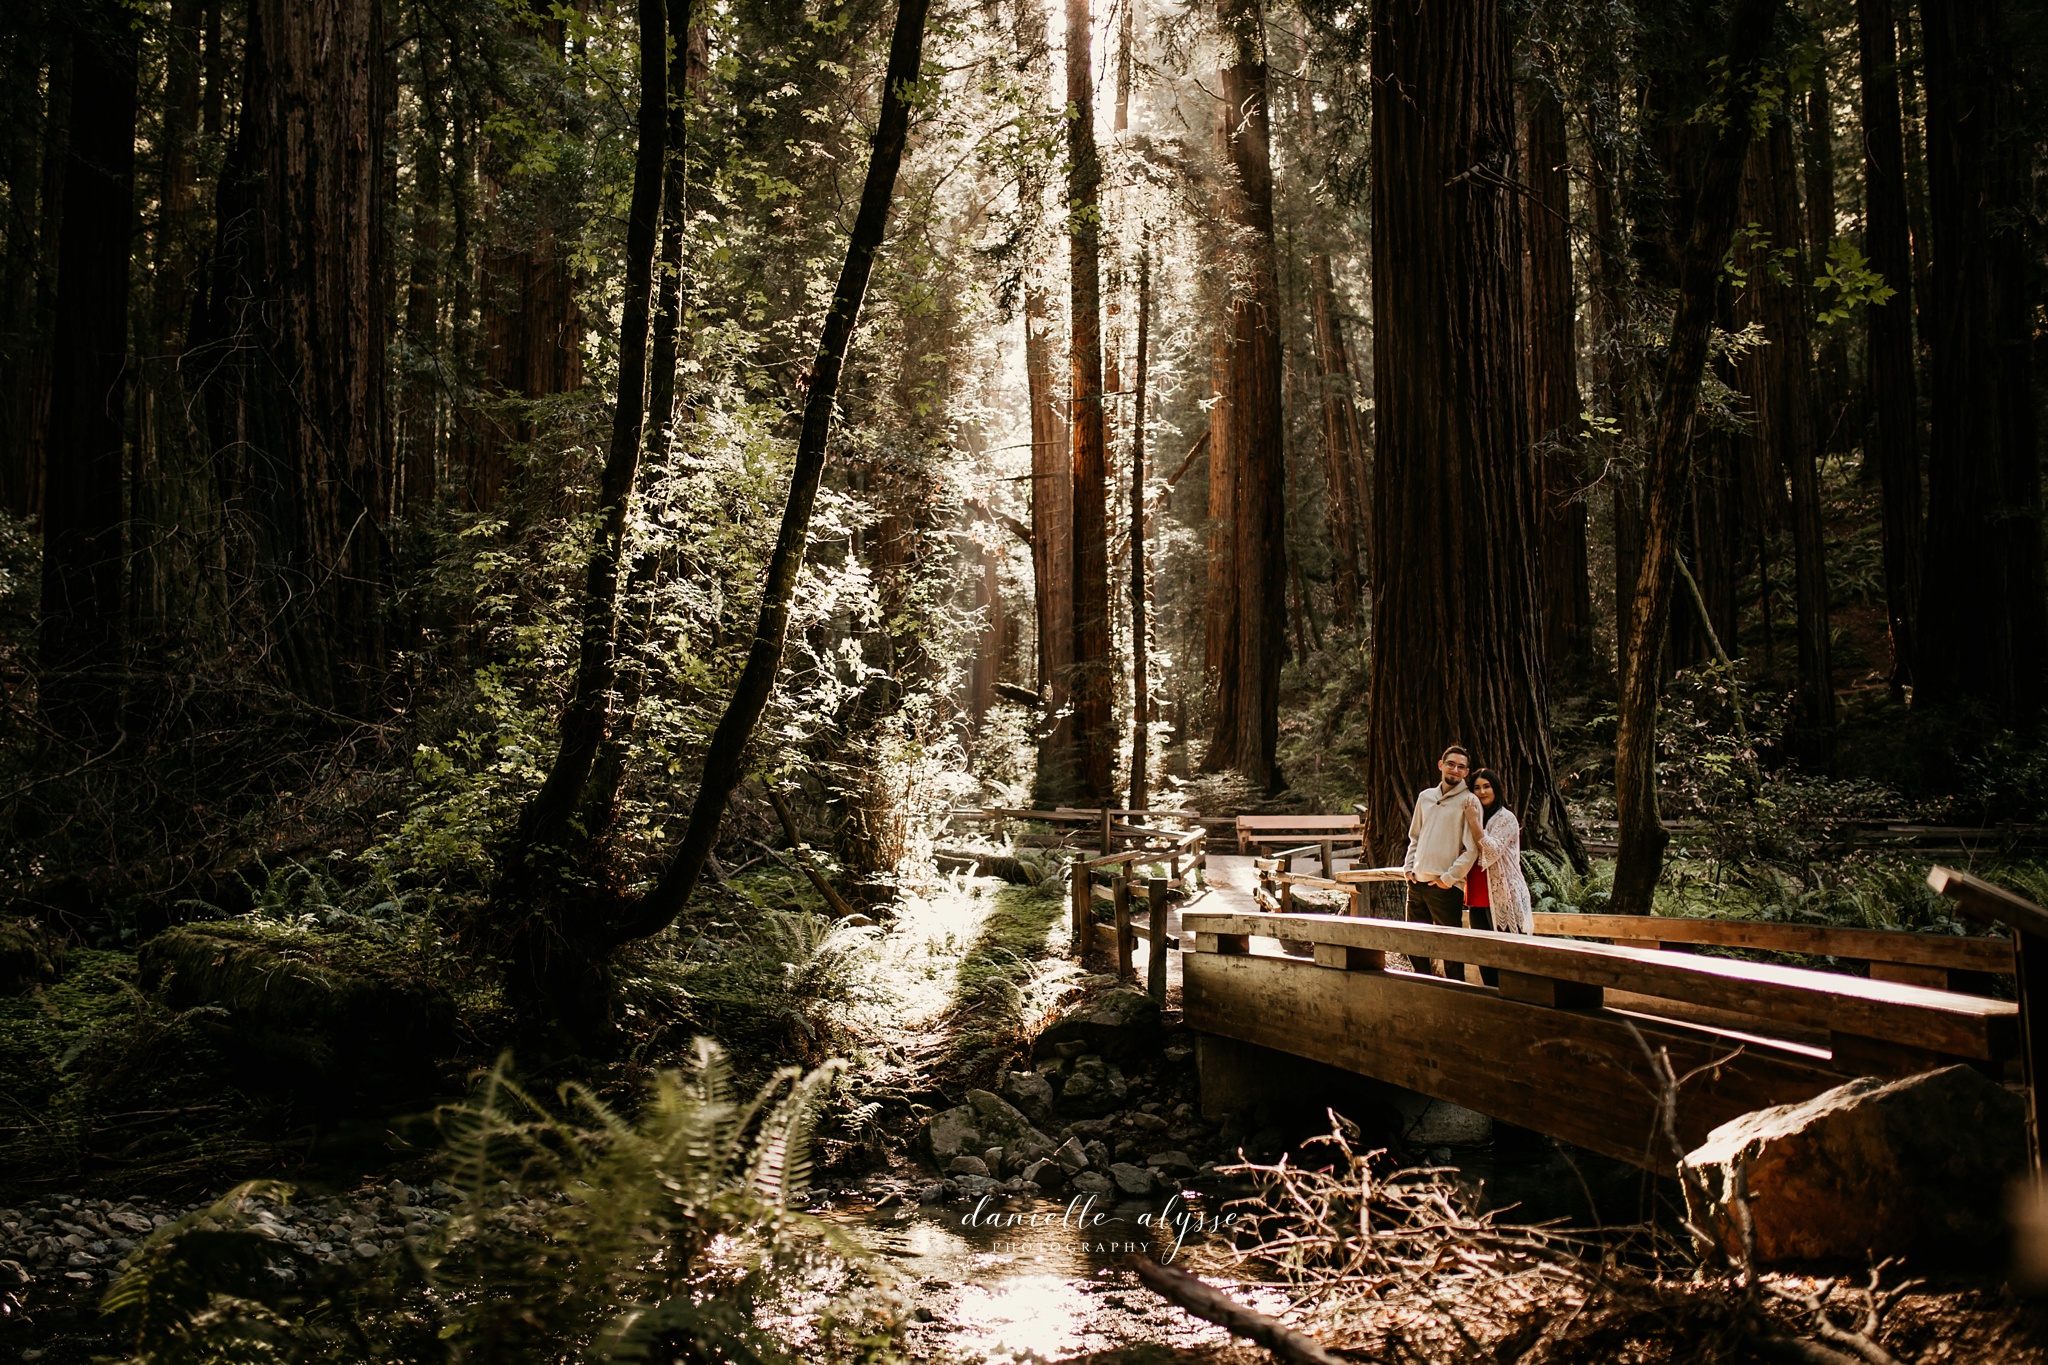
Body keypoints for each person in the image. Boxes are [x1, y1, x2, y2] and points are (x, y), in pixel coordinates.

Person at [1402, 744, 1480, 981]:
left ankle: (1455, 990)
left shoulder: (1469, 801)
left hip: (1445, 887)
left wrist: (1448, 879)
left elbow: (1471, 849)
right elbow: (1414, 836)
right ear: (1441, 765)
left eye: (1461, 767)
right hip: (1417, 883)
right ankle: (1423, 985)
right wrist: (1408, 868)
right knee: (1415, 942)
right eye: (1451, 764)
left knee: (1450, 946)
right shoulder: (1425, 797)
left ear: (1466, 772)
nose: (1455, 770)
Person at [1462, 768, 1534, 986]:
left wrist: (1475, 823)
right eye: (1477, 787)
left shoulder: (1505, 818)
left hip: (1504, 896)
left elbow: (1491, 851)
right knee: (1485, 957)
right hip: (1476, 895)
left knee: (1507, 958)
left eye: (1487, 786)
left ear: (1496, 789)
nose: (1482, 792)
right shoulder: (1469, 816)